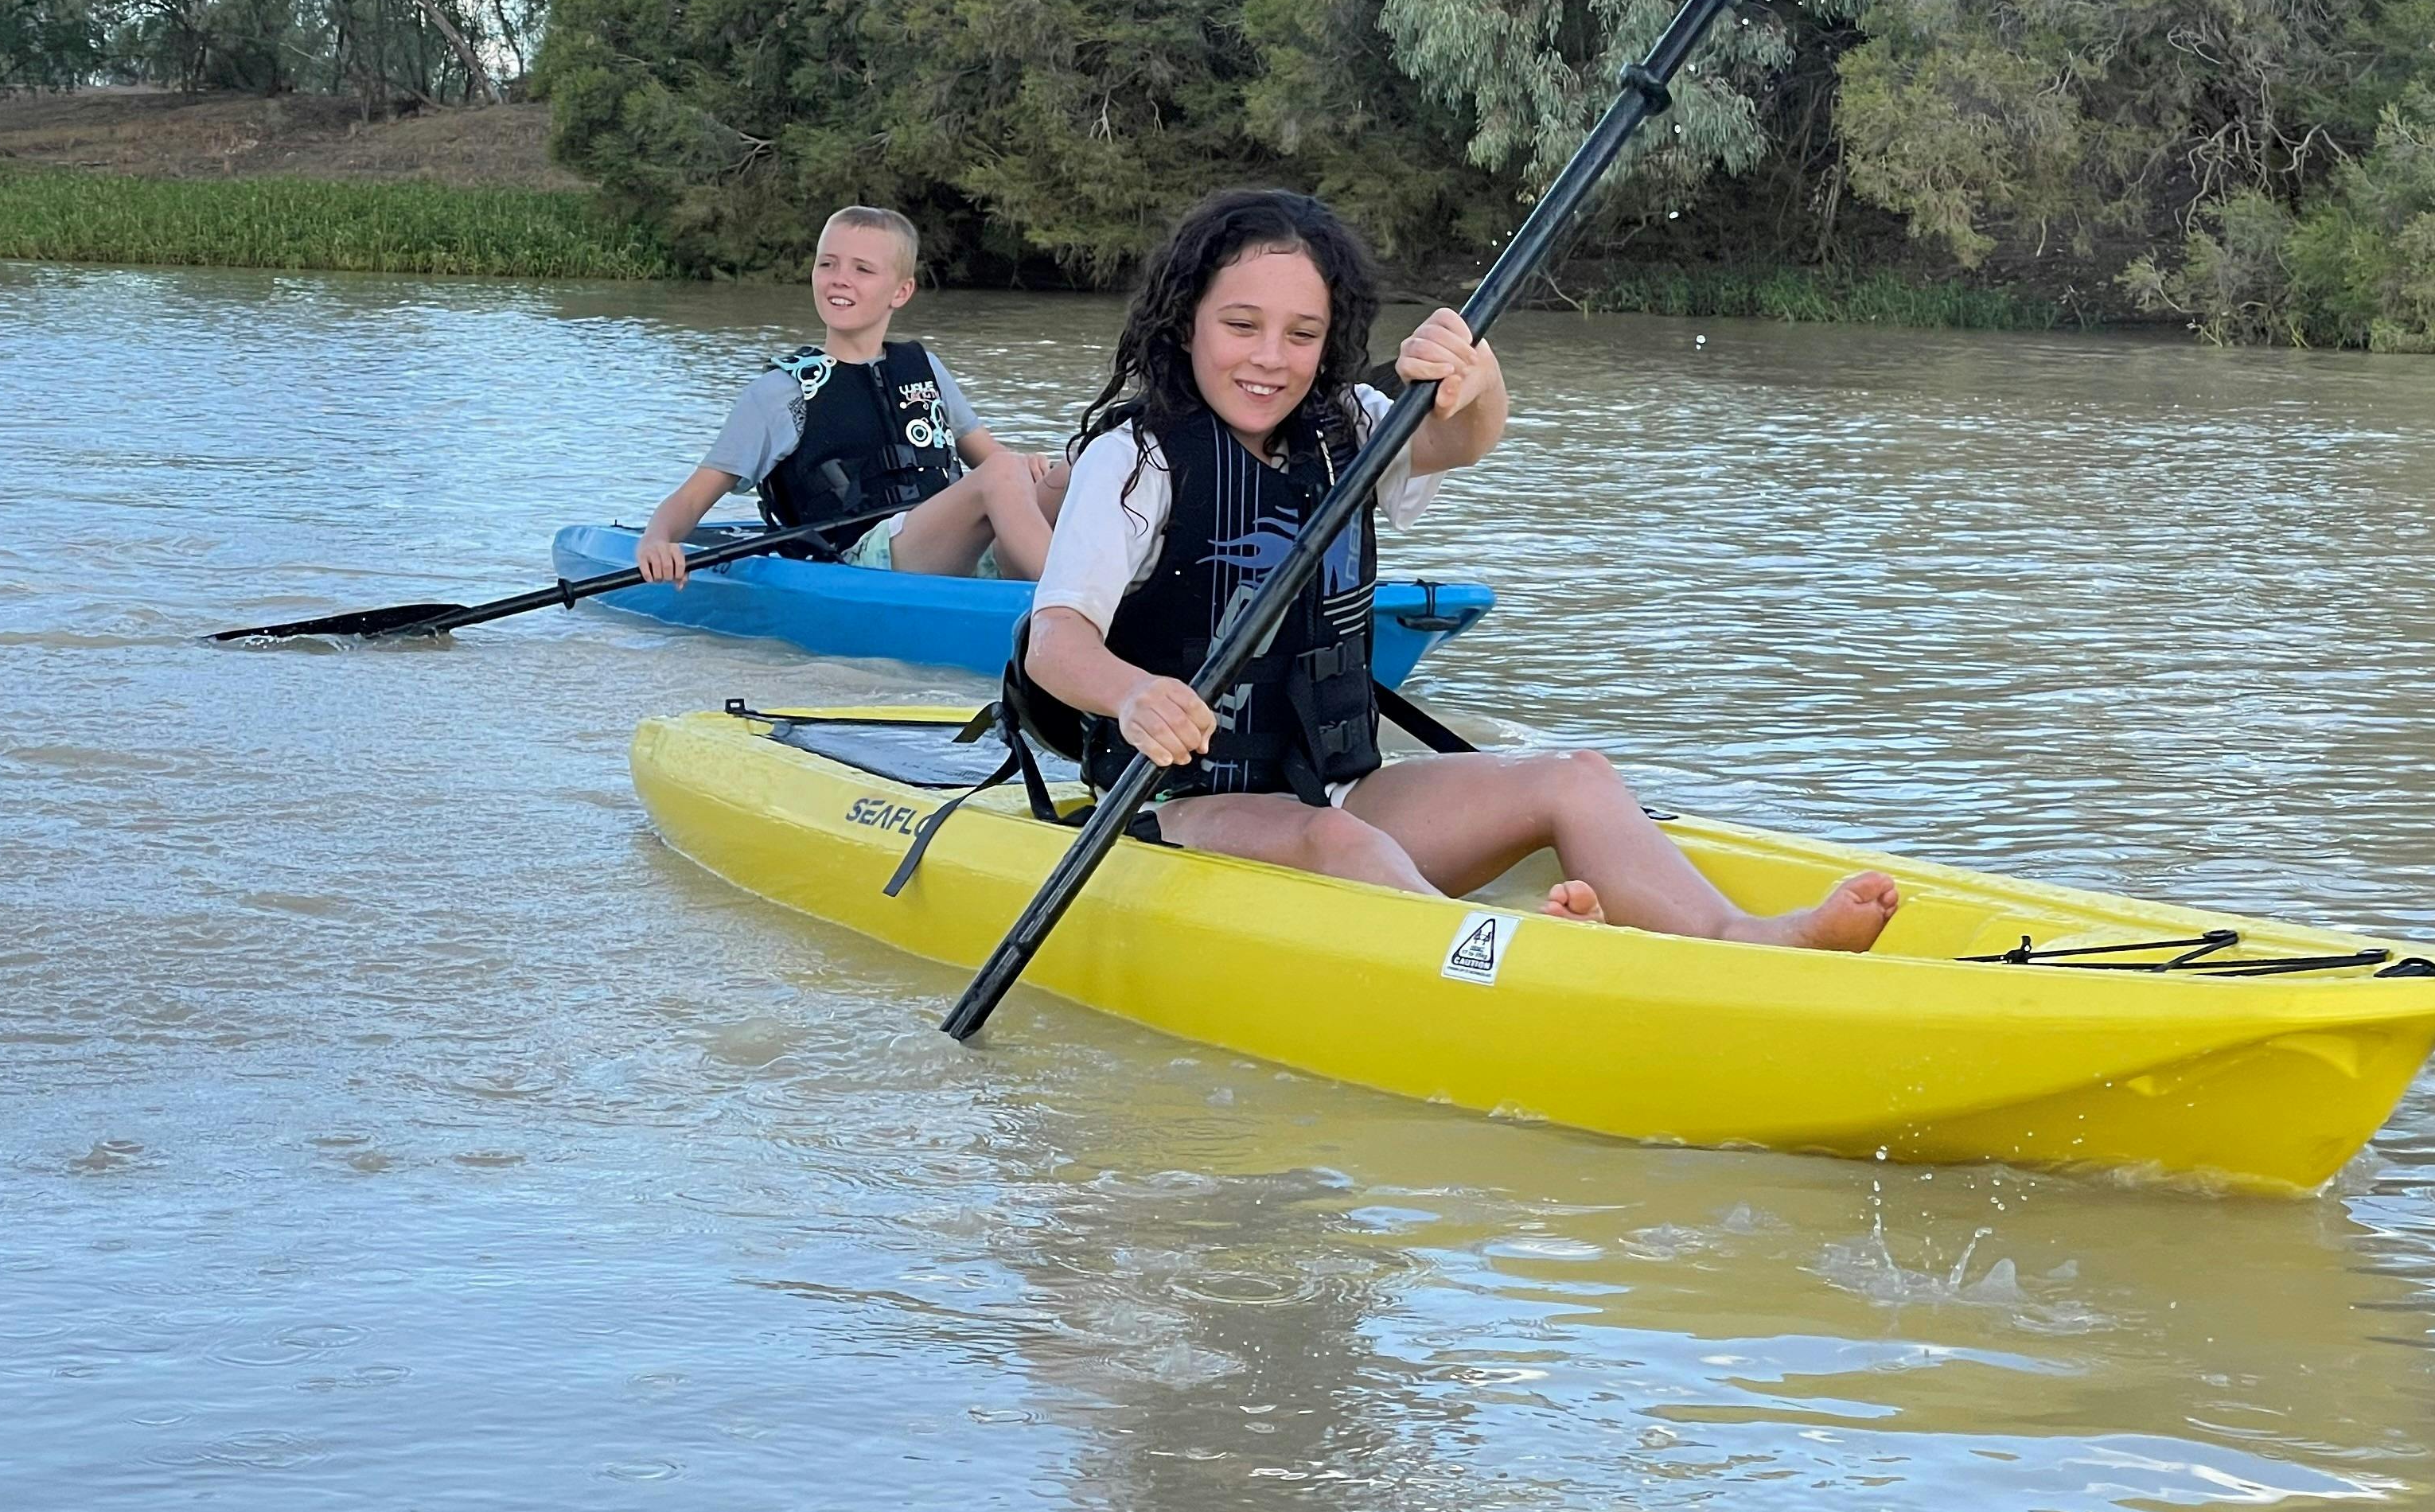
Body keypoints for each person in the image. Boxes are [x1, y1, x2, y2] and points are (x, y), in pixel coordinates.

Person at [1024, 188, 1900, 951]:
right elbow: (1055, 645)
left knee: (1575, 776)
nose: (1268, 359)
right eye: (1241, 326)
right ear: (1186, 325)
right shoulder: (1135, 460)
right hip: (1181, 809)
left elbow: (1461, 439)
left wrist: (1477, 382)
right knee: (1347, 851)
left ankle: (1742, 936)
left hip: (1341, 787)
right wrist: (1135, 694)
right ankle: (1502, 962)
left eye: (1302, 335)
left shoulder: (1353, 425)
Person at [635, 206, 1068, 585]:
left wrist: (1038, 471)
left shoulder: (924, 368)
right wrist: (658, 540)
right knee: (1003, 474)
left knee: (1075, 470)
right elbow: (693, 498)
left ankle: (1102, 588)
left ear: (901, 291)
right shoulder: (780, 394)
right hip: (863, 559)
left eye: (862, 269)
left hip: (949, 543)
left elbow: (994, 461)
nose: (840, 280)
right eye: (828, 265)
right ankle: (1070, 610)